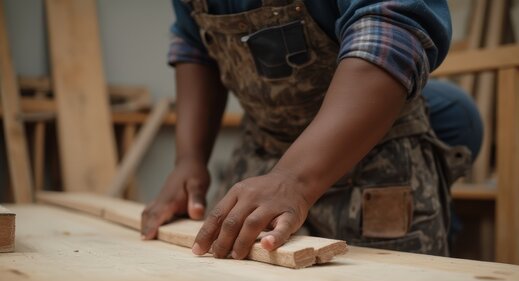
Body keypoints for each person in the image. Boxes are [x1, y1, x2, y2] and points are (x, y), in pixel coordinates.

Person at [141, 0, 483, 259]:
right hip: (262, 157)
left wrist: (295, 179)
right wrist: (189, 159)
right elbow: (195, 46)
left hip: (377, 167)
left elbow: (390, 32)